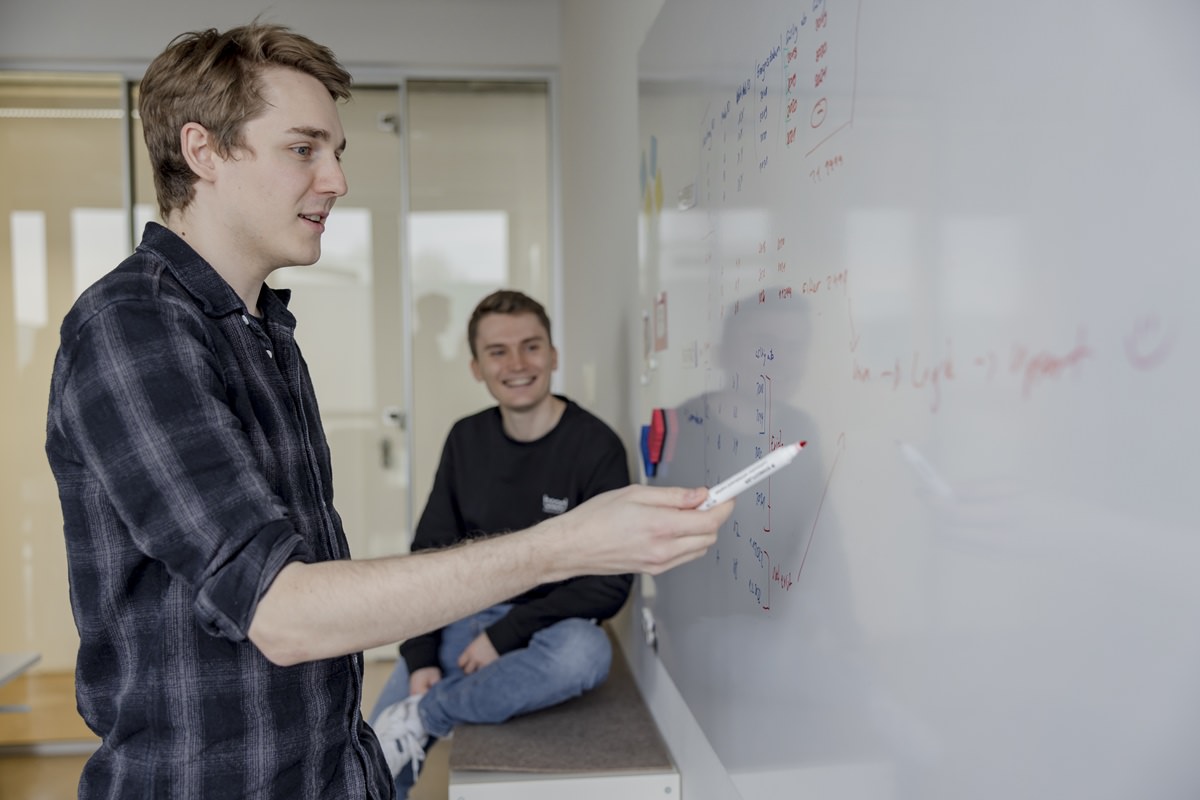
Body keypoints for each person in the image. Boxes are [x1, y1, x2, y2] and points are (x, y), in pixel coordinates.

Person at [43, 22, 733, 800]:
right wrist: (565, 543)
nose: (335, 179)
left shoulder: (265, 331)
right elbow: (284, 612)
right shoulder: (132, 328)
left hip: (330, 769)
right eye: (304, 149)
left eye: (336, 152)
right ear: (203, 152)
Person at [369, 289, 634, 795]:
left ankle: (431, 713)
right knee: (369, 760)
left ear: (553, 356)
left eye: (531, 346)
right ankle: (420, 712)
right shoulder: (466, 438)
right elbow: (431, 551)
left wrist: (505, 635)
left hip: (547, 631)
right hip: (461, 620)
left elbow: (610, 583)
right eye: (497, 351)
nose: (517, 363)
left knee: (586, 654)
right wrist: (422, 655)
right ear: (476, 367)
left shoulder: (595, 446)